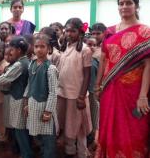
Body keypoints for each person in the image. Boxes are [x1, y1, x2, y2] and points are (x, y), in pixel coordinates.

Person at [94, 0, 150, 158]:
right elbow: (104, 60)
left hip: (133, 93)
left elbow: (148, 65)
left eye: (129, 3)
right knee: (110, 127)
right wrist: (97, 86)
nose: (124, 6)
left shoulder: (145, 32)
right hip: (110, 91)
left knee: (134, 131)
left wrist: (143, 96)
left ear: (136, 6)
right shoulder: (110, 31)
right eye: (121, 3)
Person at [0, 36, 32, 158]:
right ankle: (22, 151)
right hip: (19, 97)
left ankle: (26, 154)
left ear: (19, 50)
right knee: (19, 128)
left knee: (20, 129)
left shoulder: (19, 64)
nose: (9, 52)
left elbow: (6, 78)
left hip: (18, 99)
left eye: (12, 50)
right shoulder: (25, 61)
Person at [58, 18, 92, 158]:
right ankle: (70, 150)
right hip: (63, 93)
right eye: (67, 30)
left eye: (73, 31)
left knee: (80, 127)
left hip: (76, 95)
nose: (69, 34)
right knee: (68, 124)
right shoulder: (65, 47)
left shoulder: (85, 50)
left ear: (80, 32)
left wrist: (81, 96)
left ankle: (82, 153)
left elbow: (87, 74)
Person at [24, 34, 59, 158]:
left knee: (48, 136)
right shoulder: (32, 64)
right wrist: (27, 103)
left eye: (42, 46)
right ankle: (44, 152)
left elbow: (53, 92)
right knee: (37, 134)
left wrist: (48, 111)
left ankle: (48, 154)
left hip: (44, 107)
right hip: (33, 105)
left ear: (49, 49)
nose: (39, 49)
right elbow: (29, 84)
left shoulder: (50, 68)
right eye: (36, 46)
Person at [86, 23, 107, 146]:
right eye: (93, 33)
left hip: (96, 89)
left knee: (95, 115)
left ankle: (94, 139)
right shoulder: (86, 49)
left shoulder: (104, 50)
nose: (95, 35)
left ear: (104, 34)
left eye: (98, 33)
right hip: (85, 89)